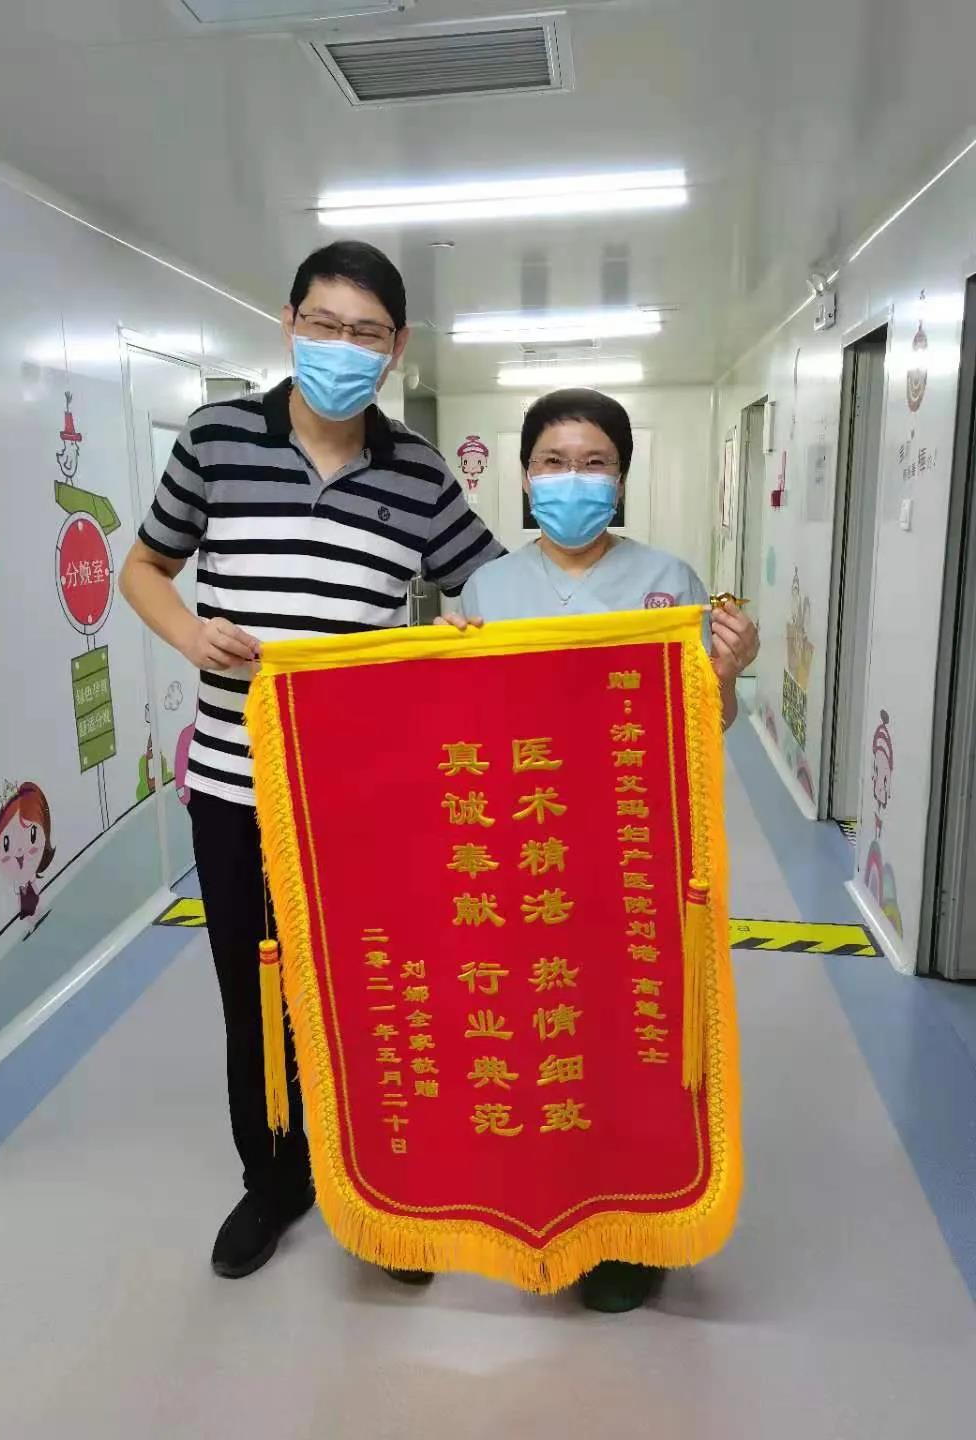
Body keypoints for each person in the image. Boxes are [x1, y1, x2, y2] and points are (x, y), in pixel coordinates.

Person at [119, 240, 503, 1281]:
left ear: (397, 347)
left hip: (366, 794)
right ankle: (275, 1180)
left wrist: (478, 630)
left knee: (374, 992)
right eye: (325, 324)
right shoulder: (217, 439)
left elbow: (499, 593)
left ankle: (382, 1190)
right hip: (234, 787)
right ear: (289, 323)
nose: (343, 347)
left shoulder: (418, 471)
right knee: (256, 996)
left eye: (366, 333)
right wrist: (190, 634)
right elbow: (144, 565)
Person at [449, 387, 759, 1312]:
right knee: (547, 1028)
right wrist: (442, 663)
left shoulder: (671, 579)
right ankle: (549, 1204)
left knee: (634, 1038)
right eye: (553, 462)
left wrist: (728, 671)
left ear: (621, 479)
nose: (572, 480)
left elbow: (708, 722)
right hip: (528, 852)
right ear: (524, 476)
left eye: (595, 464)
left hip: (633, 851)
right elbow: (461, 727)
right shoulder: (488, 590)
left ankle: (634, 1231)